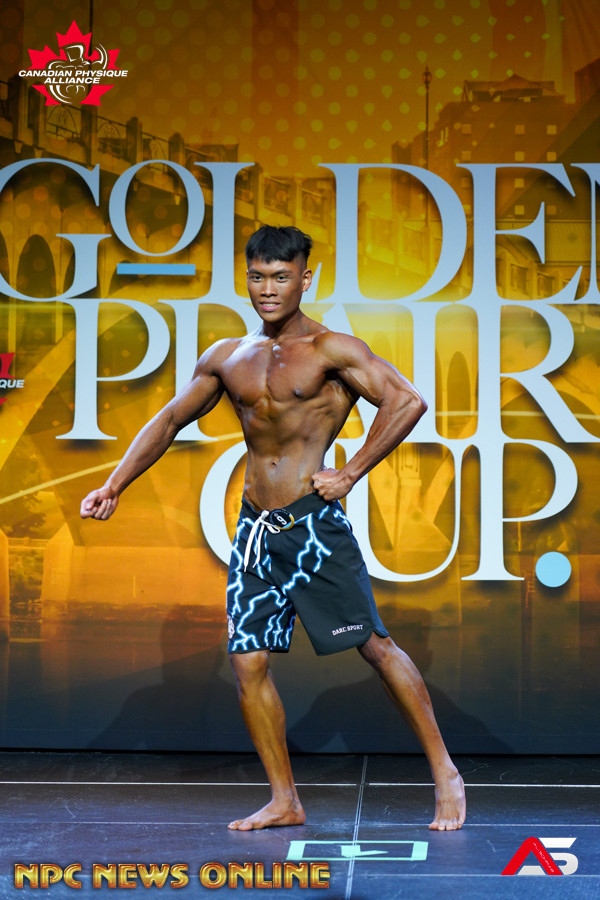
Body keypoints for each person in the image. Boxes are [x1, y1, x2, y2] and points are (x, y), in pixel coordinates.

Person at [81, 225, 466, 832]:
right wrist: (114, 484)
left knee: (374, 646)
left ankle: (445, 773)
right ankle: (285, 800)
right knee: (248, 663)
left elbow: (407, 400)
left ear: (304, 279)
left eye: (281, 277)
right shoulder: (228, 356)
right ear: (247, 278)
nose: (268, 288)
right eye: (258, 276)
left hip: (312, 528)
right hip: (254, 531)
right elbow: (170, 419)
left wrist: (352, 472)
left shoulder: (332, 350)